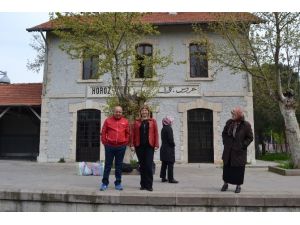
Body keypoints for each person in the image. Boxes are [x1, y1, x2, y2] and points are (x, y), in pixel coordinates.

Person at [221, 107, 253, 193]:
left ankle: (238, 186)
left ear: (239, 115)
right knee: (227, 168)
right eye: (232, 114)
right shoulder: (229, 122)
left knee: (238, 170)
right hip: (228, 150)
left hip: (239, 152)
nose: (232, 116)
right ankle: (225, 184)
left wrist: (243, 145)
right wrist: (225, 142)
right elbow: (224, 133)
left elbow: (250, 137)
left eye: (234, 114)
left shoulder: (246, 125)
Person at [100, 106, 129, 191]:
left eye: (120, 112)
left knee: (119, 166)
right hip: (109, 146)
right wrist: (105, 143)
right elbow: (103, 132)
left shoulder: (125, 121)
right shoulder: (108, 120)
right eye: (116, 111)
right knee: (108, 165)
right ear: (114, 112)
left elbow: (128, 133)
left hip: (121, 147)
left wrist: (125, 143)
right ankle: (104, 183)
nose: (118, 113)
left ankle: (118, 183)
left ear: (122, 113)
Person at [131, 105, 159, 191]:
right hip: (139, 146)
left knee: (148, 165)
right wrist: (132, 144)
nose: (144, 112)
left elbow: (156, 133)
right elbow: (133, 134)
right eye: (142, 110)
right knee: (142, 166)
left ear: (148, 112)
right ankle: (143, 184)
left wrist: (156, 145)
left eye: (146, 110)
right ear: (140, 112)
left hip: (149, 146)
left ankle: (149, 185)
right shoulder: (136, 122)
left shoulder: (153, 121)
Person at [159, 116, 178, 183]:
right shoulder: (169, 128)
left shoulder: (163, 128)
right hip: (169, 149)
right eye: (171, 121)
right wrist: (173, 144)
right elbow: (170, 139)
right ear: (169, 122)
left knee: (164, 163)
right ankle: (171, 178)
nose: (172, 122)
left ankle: (163, 177)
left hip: (163, 148)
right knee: (170, 163)